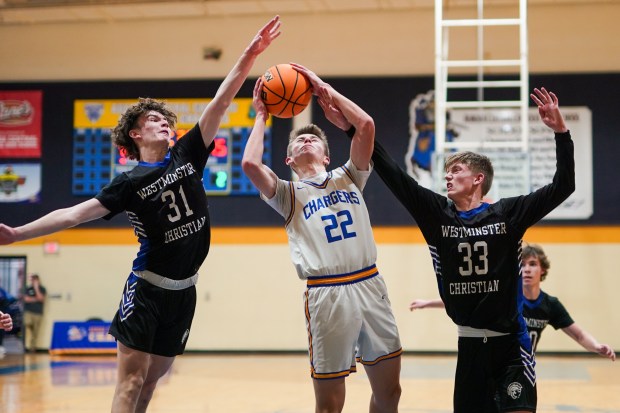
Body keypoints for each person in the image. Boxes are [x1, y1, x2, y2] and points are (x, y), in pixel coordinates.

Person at [0, 16, 280, 413]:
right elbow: (70, 216)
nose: (164, 123)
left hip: (185, 292)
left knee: (151, 383)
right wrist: (16, 234)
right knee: (130, 382)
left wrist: (250, 55)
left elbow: (220, 101)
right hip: (147, 289)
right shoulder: (127, 182)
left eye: (167, 120)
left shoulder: (188, 153)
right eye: (154, 120)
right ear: (135, 134)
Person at [366, 87, 575, 413]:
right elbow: (394, 175)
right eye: (446, 172)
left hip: (511, 346)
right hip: (469, 345)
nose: (447, 176)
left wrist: (561, 133)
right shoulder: (437, 215)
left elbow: (563, 186)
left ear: (479, 179)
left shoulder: (507, 214)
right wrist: (357, 130)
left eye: (456, 171)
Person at [242, 64, 402, 413]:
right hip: (326, 294)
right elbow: (250, 165)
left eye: (314, 138)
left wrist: (324, 88)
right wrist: (260, 116)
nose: (307, 139)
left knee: (390, 391)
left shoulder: (349, 176)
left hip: (369, 283)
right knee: (330, 405)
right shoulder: (288, 194)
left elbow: (366, 126)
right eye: (299, 139)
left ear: (327, 156)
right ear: (289, 159)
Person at [409, 244, 616, 360]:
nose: (527, 269)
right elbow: (468, 301)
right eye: (523, 265)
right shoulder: (506, 294)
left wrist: (597, 346)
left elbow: (578, 334)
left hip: (524, 363)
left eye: (533, 264)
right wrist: (428, 303)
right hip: (497, 360)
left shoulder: (550, 305)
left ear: (542, 270)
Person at [23, 273, 46, 353]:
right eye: (32, 280)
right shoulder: (28, 289)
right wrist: (36, 299)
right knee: (27, 323)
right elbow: (26, 299)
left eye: (35, 280)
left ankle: (32, 348)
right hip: (29, 311)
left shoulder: (42, 289)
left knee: (35, 332)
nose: (33, 282)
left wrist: (36, 288)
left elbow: (41, 299)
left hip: (38, 313)